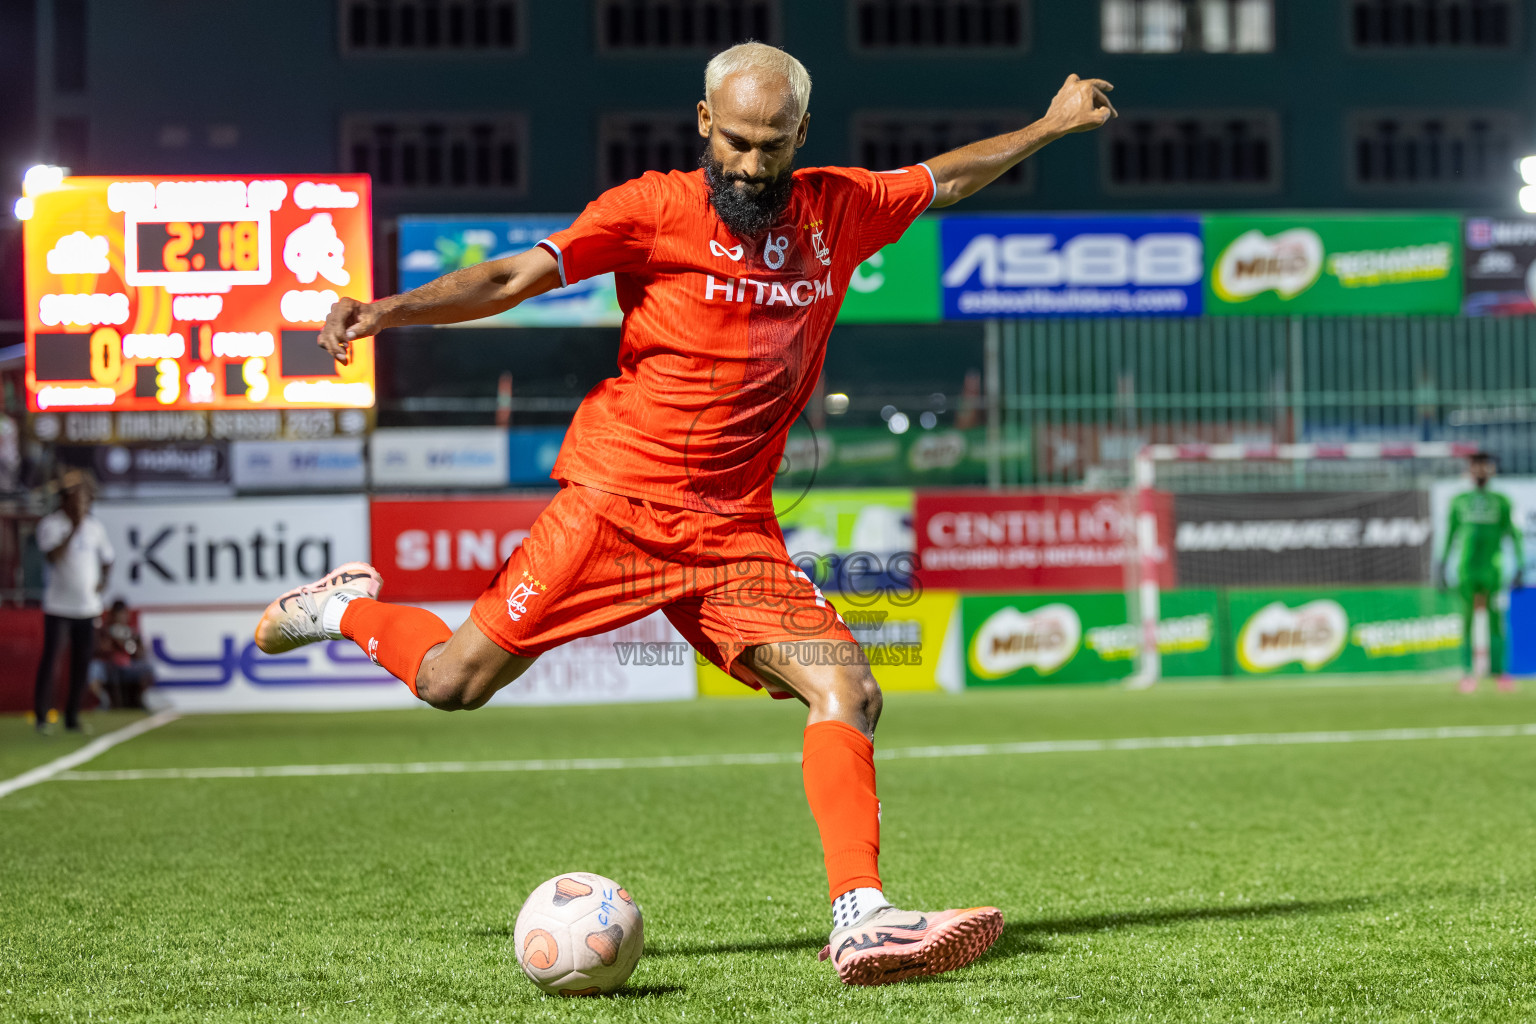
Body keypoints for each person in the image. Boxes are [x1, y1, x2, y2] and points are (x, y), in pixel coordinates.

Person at [257, 43, 1116, 985]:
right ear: (705, 124)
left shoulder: (838, 207)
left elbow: (943, 180)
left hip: (734, 529)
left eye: (773, 145)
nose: (753, 164)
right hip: (617, 507)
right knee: (452, 682)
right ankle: (340, 607)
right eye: (738, 142)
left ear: (802, 135)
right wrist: (385, 310)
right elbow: (510, 279)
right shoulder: (651, 209)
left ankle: (860, 917)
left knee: (848, 689)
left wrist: (1051, 125)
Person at [33, 469, 115, 734]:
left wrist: (103, 581)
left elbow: (108, 558)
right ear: (66, 500)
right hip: (58, 607)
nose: (84, 505)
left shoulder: (95, 527)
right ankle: (43, 716)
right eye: (78, 499)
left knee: (82, 664)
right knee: (52, 661)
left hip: (87, 607)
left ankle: (72, 716)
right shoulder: (51, 525)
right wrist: (74, 528)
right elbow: (52, 557)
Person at [1440, 452, 1526, 693]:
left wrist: (1520, 564)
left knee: (1496, 622)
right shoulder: (1459, 501)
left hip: (1494, 570)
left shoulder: (1502, 500)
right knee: (1466, 621)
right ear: (1469, 471)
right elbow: (1450, 534)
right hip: (1466, 570)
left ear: (1491, 471)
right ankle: (1467, 673)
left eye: (1484, 467)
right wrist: (1441, 564)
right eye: (1475, 467)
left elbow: (1515, 535)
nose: (1480, 471)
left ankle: (1500, 673)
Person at [90, 599, 155, 709]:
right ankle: (104, 700)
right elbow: (99, 649)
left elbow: (137, 652)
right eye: (118, 613)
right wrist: (112, 641)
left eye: (123, 613)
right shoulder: (104, 629)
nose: (121, 616)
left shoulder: (132, 631)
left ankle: (141, 698)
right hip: (108, 665)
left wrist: (130, 643)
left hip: (127, 665)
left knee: (148, 668)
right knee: (93, 668)